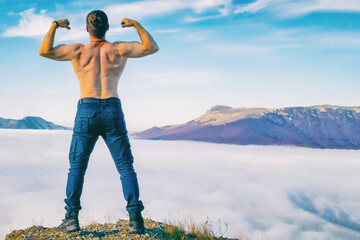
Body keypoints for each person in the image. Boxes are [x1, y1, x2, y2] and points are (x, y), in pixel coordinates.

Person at [39, 10, 159, 234]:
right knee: (125, 167)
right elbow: (151, 47)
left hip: (87, 110)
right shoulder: (118, 49)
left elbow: (44, 51)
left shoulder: (78, 51)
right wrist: (136, 24)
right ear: (107, 29)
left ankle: (71, 218)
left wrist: (55, 25)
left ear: (87, 29)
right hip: (112, 109)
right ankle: (135, 219)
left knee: (77, 168)